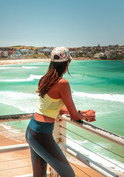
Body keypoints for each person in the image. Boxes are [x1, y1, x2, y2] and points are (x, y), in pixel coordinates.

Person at [25, 47, 96, 177]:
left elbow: (51, 108)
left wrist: (81, 111)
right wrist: (86, 115)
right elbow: (74, 116)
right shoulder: (62, 83)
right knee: (69, 175)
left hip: (31, 131)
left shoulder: (44, 79)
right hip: (41, 135)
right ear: (67, 63)